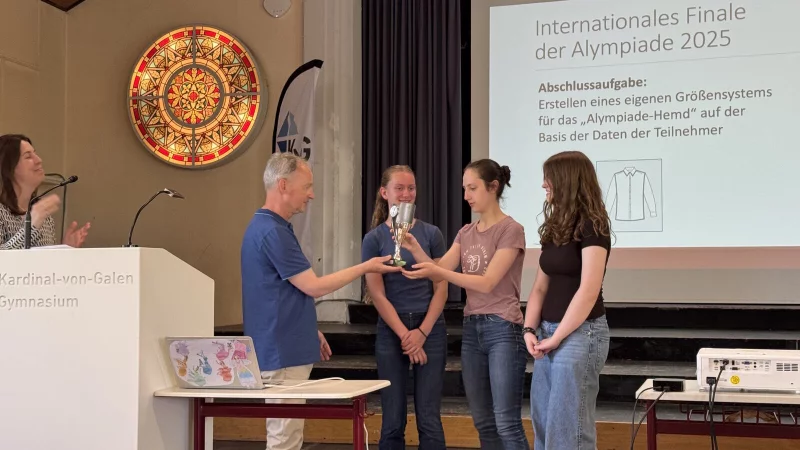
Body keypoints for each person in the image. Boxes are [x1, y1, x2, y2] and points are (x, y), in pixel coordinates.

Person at [240, 152, 401, 450]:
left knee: (287, 434)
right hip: (282, 351)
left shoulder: (265, 226)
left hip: (283, 342)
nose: (311, 195)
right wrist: (366, 267)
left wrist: (307, 327)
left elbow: (275, 292)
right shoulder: (273, 231)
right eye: (307, 186)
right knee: (284, 438)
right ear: (283, 185)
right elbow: (313, 286)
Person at [401, 159, 529, 450]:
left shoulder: (511, 230)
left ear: (493, 187)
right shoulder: (466, 232)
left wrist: (437, 272)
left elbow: (487, 282)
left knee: (506, 423)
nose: (466, 196)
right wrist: (414, 247)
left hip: (503, 330)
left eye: (472, 188)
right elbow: (440, 267)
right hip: (473, 330)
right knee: (483, 420)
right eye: (464, 189)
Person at [523, 150, 612, 450]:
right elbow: (539, 288)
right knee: (545, 424)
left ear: (566, 180)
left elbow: (588, 291)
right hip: (548, 333)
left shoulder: (593, 227)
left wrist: (557, 337)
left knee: (568, 430)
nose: (544, 184)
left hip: (580, 334)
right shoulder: (554, 228)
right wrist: (529, 330)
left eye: (548, 178)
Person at [361, 165, 448, 450]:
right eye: (400, 188)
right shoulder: (374, 239)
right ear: (385, 193)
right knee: (393, 418)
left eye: (411, 188)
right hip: (392, 330)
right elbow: (377, 293)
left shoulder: (431, 234)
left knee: (429, 417)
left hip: (430, 329)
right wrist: (405, 336)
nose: (407, 194)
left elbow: (441, 286)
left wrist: (421, 333)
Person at [0, 134, 90, 249]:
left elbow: (44, 263)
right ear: (8, 168)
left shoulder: (43, 215)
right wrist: (32, 226)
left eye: (35, 153)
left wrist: (65, 249)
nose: (38, 160)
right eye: (28, 157)